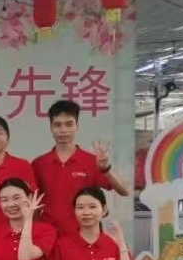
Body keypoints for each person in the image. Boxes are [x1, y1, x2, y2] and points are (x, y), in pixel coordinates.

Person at [33, 100, 130, 238]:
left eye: (69, 124)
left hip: (85, 237)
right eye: (57, 125)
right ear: (51, 127)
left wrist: (106, 169)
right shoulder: (39, 164)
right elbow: (34, 205)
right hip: (50, 238)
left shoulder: (92, 161)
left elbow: (125, 191)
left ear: (77, 126)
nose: (63, 130)